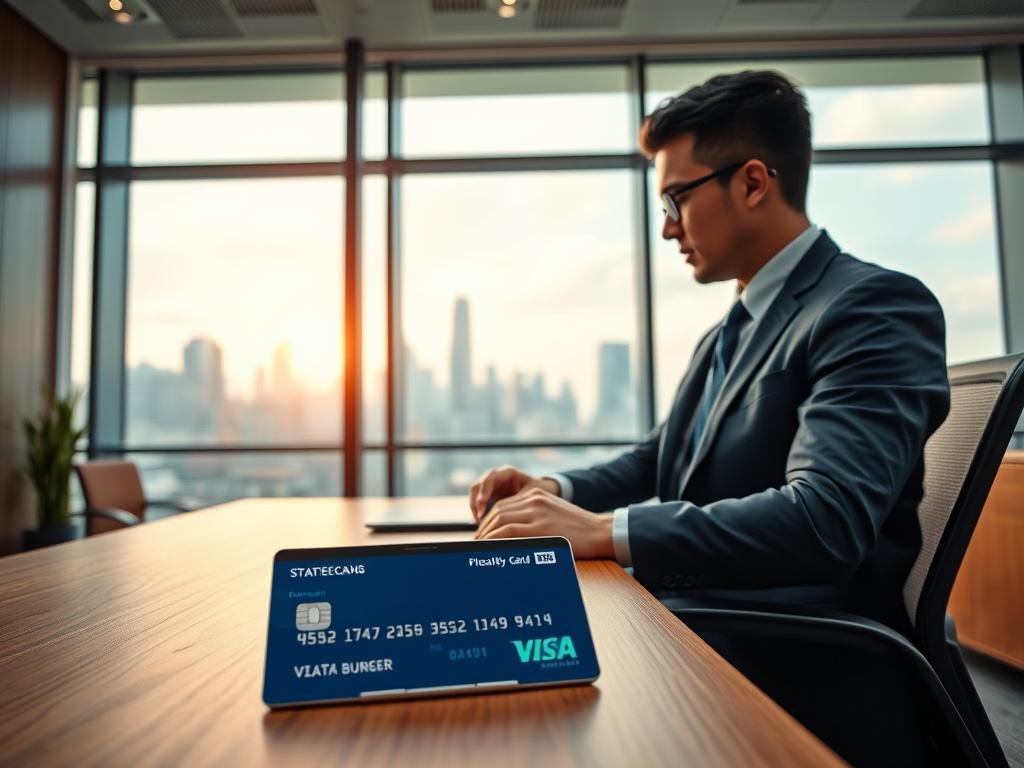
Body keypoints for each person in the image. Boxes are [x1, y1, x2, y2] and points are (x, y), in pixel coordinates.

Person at [470, 70, 950, 632]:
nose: (669, 230)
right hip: (704, 615)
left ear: (751, 184)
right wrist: (554, 491)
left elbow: (825, 519)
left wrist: (606, 531)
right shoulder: (732, 326)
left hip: (800, 647)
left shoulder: (871, 307)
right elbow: (658, 458)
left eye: (675, 200)